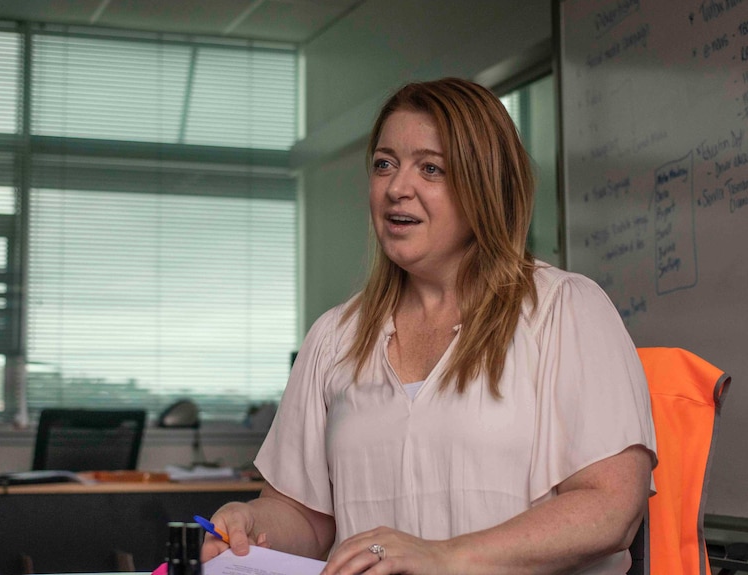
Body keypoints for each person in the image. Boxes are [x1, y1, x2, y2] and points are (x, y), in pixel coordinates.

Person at [201, 77, 657, 575]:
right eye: (384, 164)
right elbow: (305, 518)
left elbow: (610, 509)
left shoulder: (566, 309)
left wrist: (443, 557)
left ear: (485, 185)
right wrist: (249, 523)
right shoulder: (334, 337)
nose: (397, 188)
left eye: (431, 168)